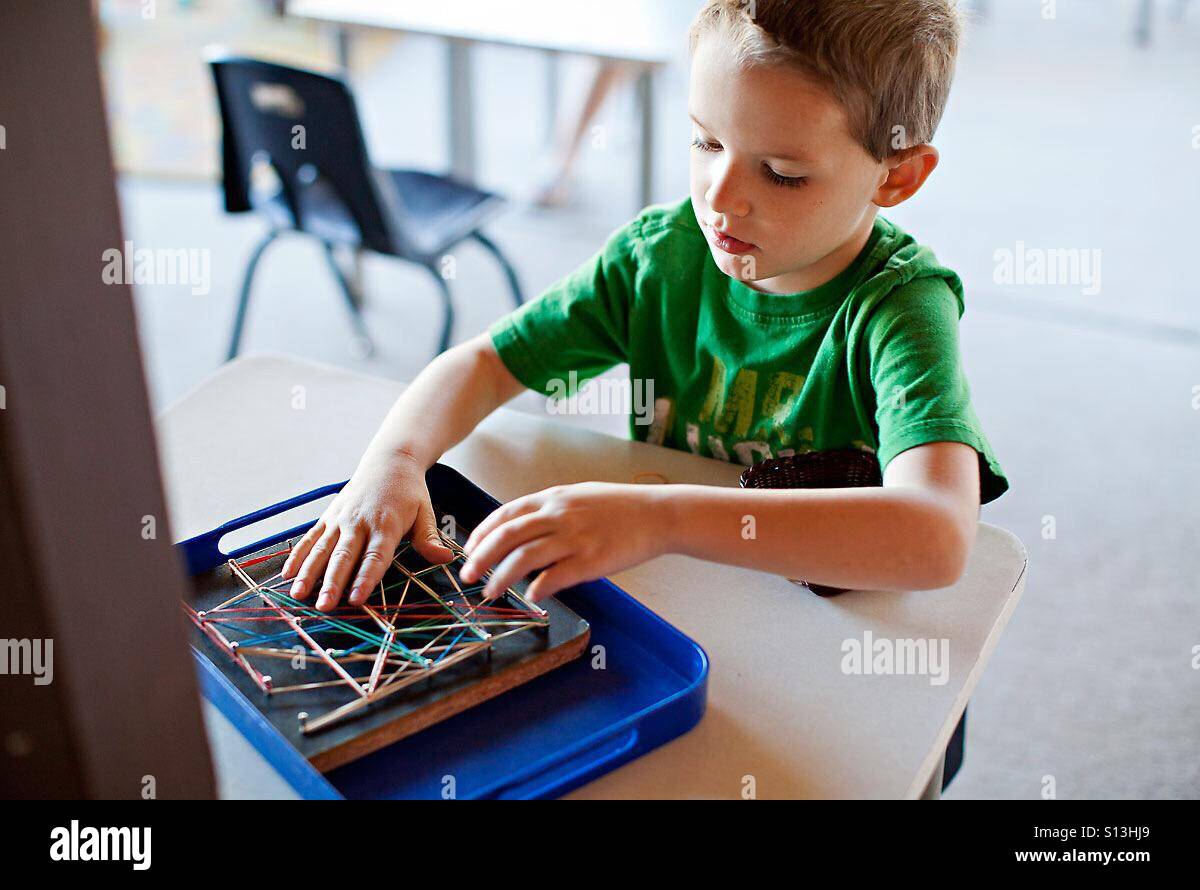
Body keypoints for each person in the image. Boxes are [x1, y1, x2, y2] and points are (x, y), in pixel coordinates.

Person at [281, 0, 1008, 612]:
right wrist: (396, 460)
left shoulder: (901, 306)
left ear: (898, 177)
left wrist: (663, 515)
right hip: (674, 590)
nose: (719, 196)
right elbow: (486, 363)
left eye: (783, 174)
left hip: (818, 621)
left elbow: (937, 537)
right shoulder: (660, 256)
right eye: (705, 140)